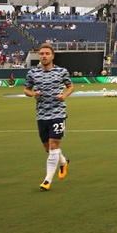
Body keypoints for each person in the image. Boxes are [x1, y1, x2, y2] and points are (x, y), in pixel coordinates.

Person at [24, 43, 74, 190]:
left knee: (53, 146)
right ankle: (64, 162)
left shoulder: (61, 71)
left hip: (58, 113)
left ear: (52, 56)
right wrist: (33, 94)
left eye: (47, 53)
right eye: (41, 54)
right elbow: (27, 90)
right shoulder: (33, 73)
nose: (44, 56)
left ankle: (47, 180)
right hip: (41, 114)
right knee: (48, 148)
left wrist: (64, 95)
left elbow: (70, 86)